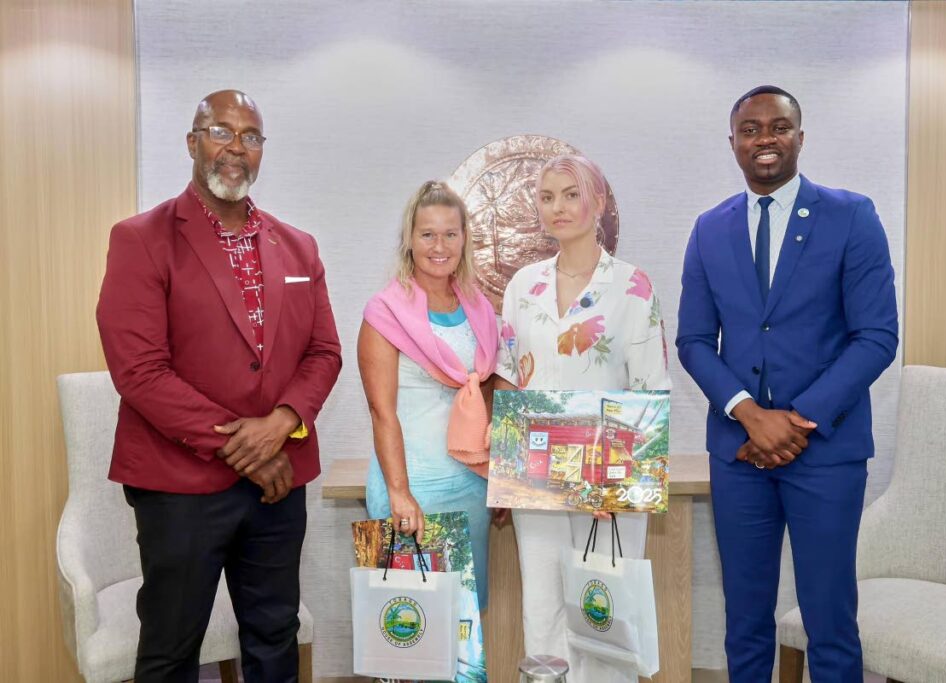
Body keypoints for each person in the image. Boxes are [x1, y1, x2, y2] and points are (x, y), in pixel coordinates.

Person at [96, 90, 342, 682]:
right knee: (171, 649)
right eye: (220, 131)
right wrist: (247, 450)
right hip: (179, 484)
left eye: (251, 136)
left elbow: (324, 351)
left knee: (273, 637)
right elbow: (139, 370)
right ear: (192, 142)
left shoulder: (300, 246)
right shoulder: (141, 239)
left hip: (278, 485)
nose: (236, 148)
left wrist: (282, 423)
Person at [676, 85, 899, 682]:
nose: (764, 139)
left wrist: (796, 421)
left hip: (826, 451)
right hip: (738, 452)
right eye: (750, 130)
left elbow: (877, 336)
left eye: (778, 127)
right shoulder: (709, 229)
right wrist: (750, 414)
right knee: (745, 618)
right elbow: (694, 340)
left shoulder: (852, 216)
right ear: (733, 143)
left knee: (830, 619)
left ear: (801, 136)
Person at [495, 154, 671, 682]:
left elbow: (651, 392)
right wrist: (505, 475)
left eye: (571, 194)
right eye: (547, 197)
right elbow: (506, 379)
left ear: (597, 202)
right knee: (544, 609)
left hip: (609, 483)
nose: (559, 207)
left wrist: (613, 488)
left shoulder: (633, 286)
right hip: (538, 479)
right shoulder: (522, 286)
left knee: (603, 610)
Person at [359, 180, 498, 609]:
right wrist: (400, 493)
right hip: (412, 492)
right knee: (409, 633)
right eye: (427, 234)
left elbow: (489, 390)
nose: (440, 245)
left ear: (464, 240)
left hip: (470, 488)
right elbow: (383, 413)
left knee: (464, 630)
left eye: (450, 234)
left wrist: (501, 479)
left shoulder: (479, 306)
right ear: (409, 240)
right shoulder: (384, 312)